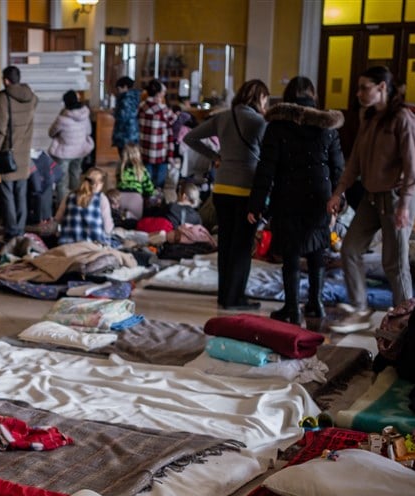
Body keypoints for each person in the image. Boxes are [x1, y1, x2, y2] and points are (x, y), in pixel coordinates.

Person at [327, 66, 415, 333]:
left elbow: (413, 167)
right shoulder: (367, 117)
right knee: (349, 249)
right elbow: (355, 160)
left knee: (394, 264)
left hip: (396, 198)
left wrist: (404, 203)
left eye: (364, 88)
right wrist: (339, 191)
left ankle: (405, 321)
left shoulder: (403, 118)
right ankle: (359, 308)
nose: (359, 93)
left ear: (382, 87)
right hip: (371, 197)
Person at [248, 76, 344, 325]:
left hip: (288, 195)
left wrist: (257, 204)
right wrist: (338, 199)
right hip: (320, 196)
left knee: (291, 254)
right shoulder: (327, 126)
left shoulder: (277, 127)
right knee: (317, 252)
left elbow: (266, 169)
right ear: (313, 96)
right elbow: (338, 168)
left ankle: (292, 308)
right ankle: (317, 303)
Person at [185, 79, 269, 310]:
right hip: (245, 189)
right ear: (260, 97)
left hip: (221, 189)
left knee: (226, 245)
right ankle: (237, 298)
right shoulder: (259, 122)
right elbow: (268, 155)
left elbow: (189, 138)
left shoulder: (223, 117)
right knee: (242, 247)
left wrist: (215, 157)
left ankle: (224, 296)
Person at [0, 65, 38, 241]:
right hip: (24, 153)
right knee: (21, 193)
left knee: (7, 193)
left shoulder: (4, 98)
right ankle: (20, 228)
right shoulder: (32, 97)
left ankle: (12, 230)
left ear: (5, 80)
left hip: (7, 153)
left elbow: (0, 129)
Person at [48, 90, 94, 216]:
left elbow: (51, 133)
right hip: (80, 151)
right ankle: (77, 205)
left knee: (62, 181)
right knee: (76, 176)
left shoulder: (62, 118)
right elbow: (88, 131)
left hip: (64, 152)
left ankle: (61, 210)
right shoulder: (85, 114)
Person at [54, 167, 114, 246]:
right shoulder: (101, 198)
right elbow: (108, 228)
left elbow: (57, 219)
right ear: (100, 184)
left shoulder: (69, 196)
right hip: (93, 245)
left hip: (68, 245)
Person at [137, 79, 177, 190]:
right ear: (159, 93)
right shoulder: (162, 109)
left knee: (147, 176)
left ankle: (147, 199)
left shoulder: (141, 106)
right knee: (159, 181)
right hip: (160, 150)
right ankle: (157, 199)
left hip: (144, 148)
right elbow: (174, 119)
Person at [115, 144, 155, 221]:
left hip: (120, 198)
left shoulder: (120, 169)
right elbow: (149, 189)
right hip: (135, 198)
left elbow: (118, 184)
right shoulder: (141, 170)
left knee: (121, 221)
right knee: (135, 222)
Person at [112, 76, 140, 154]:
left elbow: (123, 116)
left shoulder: (126, 99)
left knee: (125, 158)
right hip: (133, 133)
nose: (118, 91)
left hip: (125, 134)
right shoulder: (136, 97)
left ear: (125, 87)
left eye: (118, 89)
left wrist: (115, 113)